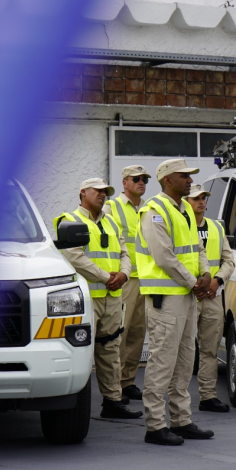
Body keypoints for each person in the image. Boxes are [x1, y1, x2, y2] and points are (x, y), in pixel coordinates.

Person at [137, 159, 214, 446]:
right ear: (168, 180)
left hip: (184, 295)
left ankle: (181, 420)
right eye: (184, 176)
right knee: (162, 361)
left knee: (184, 360)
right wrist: (194, 282)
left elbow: (197, 249)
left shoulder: (182, 211)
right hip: (167, 297)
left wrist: (206, 273)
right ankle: (155, 426)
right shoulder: (154, 212)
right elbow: (163, 257)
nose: (190, 180)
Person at [54, 179, 143, 419]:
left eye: (106, 192)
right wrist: (106, 277)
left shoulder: (111, 222)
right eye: (98, 191)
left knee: (110, 350)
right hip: (87, 299)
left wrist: (124, 274)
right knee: (81, 351)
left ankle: (113, 402)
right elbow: (75, 257)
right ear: (83, 192)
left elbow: (125, 252)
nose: (103, 195)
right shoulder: (69, 220)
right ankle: (74, 405)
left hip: (112, 296)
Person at [185, 184, 234, 413]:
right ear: (186, 201)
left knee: (210, 349)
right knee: (183, 350)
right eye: (196, 198)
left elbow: (229, 261)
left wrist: (217, 281)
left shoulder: (216, 227)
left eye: (204, 197)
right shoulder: (180, 227)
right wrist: (194, 285)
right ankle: (179, 399)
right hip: (188, 295)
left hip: (213, 295)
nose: (201, 201)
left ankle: (208, 397)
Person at [104, 165, 150, 402]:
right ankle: (114, 386)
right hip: (125, 279)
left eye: (145, 179)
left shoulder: (148, 208)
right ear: (125, 182)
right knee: (119, 334)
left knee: (137, 333)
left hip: (145, 278)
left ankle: (128, 381)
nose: (142, 182)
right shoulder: (112, 208)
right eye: (137, 179)